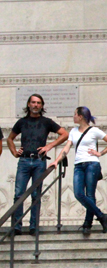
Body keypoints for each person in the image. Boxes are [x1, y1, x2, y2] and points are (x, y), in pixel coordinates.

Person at [7, 94, 69, 235]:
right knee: (18, 194)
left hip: (39, 161)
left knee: (36, 194)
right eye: (33, 102)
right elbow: (10, 138)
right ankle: (17, 226)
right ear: (29, 104)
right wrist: (14, 152)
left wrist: (49, 146)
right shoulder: (22, 122)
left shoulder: (46, 122)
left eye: (38, 103)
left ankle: (34, 226)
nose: (36, 105)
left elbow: (64, 134)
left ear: (42, 105)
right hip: (23, 160)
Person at [49, 107, 107, 235]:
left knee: (90, 194)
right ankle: (102, 216)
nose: (73, 117)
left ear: (80, 116)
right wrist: (56, 161)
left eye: (75, 114)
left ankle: (87, 224)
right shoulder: (73, 131)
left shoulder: (94, 131)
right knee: (78, 193)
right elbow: (67, 148)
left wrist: (100, 153)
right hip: (78, 165)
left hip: (92, 164)